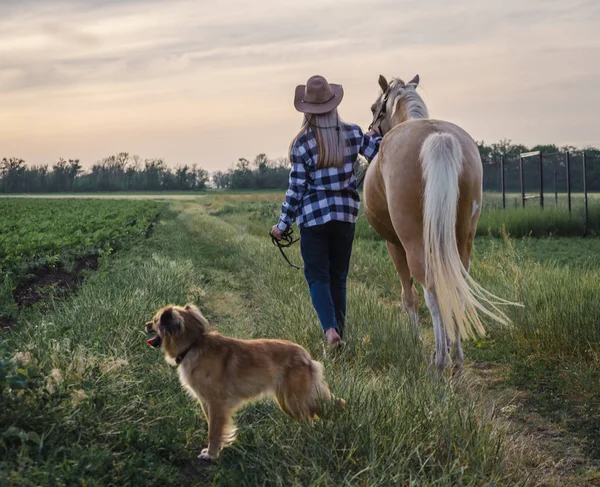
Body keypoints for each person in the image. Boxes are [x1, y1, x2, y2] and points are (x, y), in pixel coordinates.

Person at [271, 75, 382, 348]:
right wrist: (378, 135)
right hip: (345, 217)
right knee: (338, 278)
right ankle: (339, 332)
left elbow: (296, 189)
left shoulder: (302, 143)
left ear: (307, 109)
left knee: (318, 277)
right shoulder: (353, 133)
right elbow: (379, 152)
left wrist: (282, 226)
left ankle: (330, 331)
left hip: (313, 219)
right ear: (333, 104)